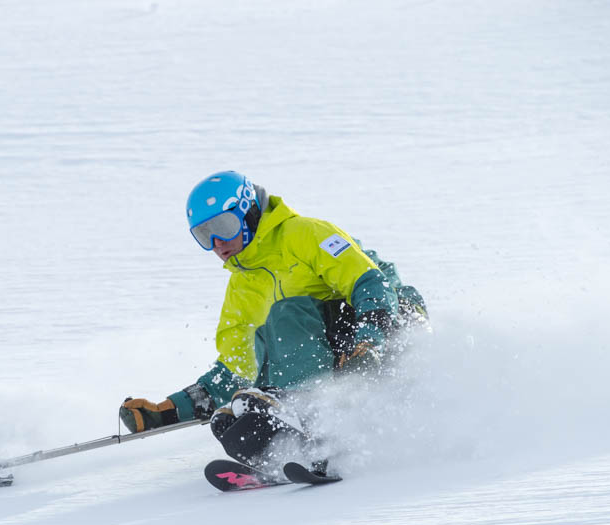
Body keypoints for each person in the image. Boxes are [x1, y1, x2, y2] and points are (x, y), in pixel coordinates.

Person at [120, 170, 426, 471]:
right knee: (238, 402)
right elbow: (238, 366)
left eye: (223, 227)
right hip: (337, 361)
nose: (217, 243)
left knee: (286, 314)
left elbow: (372, 283)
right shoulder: (242, 289)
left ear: (248, 212)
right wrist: (169, 411)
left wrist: (369, 340)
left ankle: (300, 410)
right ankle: (283, 439)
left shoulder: (304, 234)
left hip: (389, 333)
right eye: (204, 235)